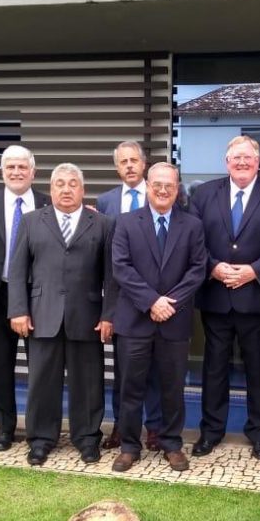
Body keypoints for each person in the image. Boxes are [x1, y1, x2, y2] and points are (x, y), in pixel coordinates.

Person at [188, 135, 260, 460]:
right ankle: (211, 431)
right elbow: (191, 241)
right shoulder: (204, 194)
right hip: (216, 297)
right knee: (214, 368)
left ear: (258, 162)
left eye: (248, 158)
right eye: (237, 158)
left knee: (259, 369)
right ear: (227, 162)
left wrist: (253, 271)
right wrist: (214, 267)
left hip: (257, 297)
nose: (243, 163)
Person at [7, 164, 115, 466]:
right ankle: (41, 439)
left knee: (89, 382)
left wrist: (109, 315)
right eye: (59, 184)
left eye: (72, 184)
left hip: (88, 316)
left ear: (82, 189)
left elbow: (112, 276)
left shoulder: (103, 223)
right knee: (42, 383)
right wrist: (18, 309)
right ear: (50, 188)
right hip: (42, 315)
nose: (66, 190)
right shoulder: (30, 222)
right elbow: (16, 272)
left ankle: (87, 438)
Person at [110, 162, 207, 473]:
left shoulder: (192, 225)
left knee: (172, 386)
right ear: (147, 186)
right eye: (157, 184)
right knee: (131, 386)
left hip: (174, 321)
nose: (163, 190)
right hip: (135, 320)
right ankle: (129, 446)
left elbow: (197, 269)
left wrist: (169, 303)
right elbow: (121, 267)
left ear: (177, 189)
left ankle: (172, 444)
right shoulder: (125, 223)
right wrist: (152, 301)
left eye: (169, 185)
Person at [0, 145, 51, 451]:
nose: (17, 172)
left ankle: (39, 430)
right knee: (0, 366)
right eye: (11, 168)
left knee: (41, 366)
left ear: (33, 172)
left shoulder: (49, 203)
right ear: (3, 172)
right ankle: (4, 427)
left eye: (23, 167)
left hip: (39, 295)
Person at [95, 141, 163, 452]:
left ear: (144, 164)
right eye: (123, 162)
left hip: (157, 298)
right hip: (121, 299)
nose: (130, 166)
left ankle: (155, 429)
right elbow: (107, 261)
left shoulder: (162, 192)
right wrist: (107, 312)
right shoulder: (106, 202)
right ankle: (123, 428)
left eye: (134, 160)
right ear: (117, 167)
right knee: (124, 372)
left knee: (155, 371)